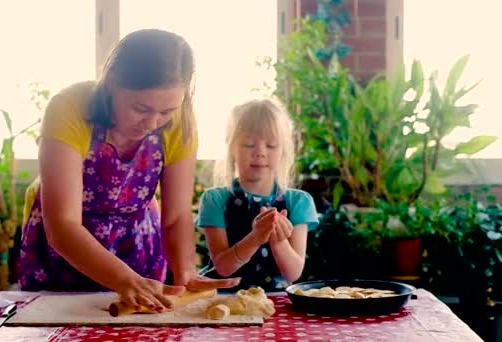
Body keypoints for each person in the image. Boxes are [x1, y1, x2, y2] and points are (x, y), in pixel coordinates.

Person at [19, 29, 239, 310]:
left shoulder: (181, 120)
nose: (152, 123)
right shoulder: (70, 108)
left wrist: (185, 271)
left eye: (166, 112)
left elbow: (176, 217)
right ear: (111, 83)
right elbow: (63, 225)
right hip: (65, 253)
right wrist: (123, 279)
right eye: (140, 108)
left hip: (137, 249)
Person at [196, 97, 319, 292]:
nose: (260, 152)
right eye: (248, 144)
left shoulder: (298, 202)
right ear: (231, 147)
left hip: (276, 303)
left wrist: (278, 240)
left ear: (283, 150)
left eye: (270, 145)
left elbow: (293, 273)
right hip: (224, 300)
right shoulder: (215, 199)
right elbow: (223, 267)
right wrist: (255, 237)